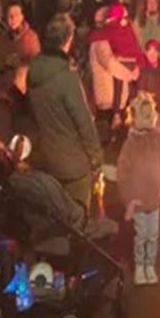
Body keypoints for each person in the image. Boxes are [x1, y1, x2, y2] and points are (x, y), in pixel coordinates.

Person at [27, 14, 102, 210]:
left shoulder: (34, 70)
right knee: (76, 218)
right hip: (73, 163)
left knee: (54, 215)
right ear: (68, 40)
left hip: (47, 157)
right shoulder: (66, 77)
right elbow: (83, 121)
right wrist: (96, 157)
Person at [118, 93, 160, 286]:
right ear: (135, 118)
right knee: (141, 236)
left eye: (152, 114)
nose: (150, 118)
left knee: (153, 235)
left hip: (154, 199)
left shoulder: (158, 138)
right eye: (145, 115)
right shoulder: (130, 144)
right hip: (139, 200)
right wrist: (129, 200)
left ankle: (150, 265)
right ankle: (140, 266)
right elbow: (123, 175)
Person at [0, 3, 40, 143]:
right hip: (1, 94)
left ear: (22, 16)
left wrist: (23, 65)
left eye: (15, 15)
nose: (12, 19)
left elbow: (37, 62)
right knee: (3, 134)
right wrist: (4, 62)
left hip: (24, 94)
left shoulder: (31, 37)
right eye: (9, 16)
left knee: (25, 131)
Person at [89, 4, 141, 135]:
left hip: (114, 100)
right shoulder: (100, 41)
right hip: (109, 101)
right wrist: (132, 74)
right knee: (113, 140)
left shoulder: (105, 37)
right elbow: (110, 64)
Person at [137, 39, 160, 117]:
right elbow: (141, 91)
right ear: (146, 53)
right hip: (149, 108)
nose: (152, 55)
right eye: (150, 52)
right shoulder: (143, 68)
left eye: (155, 52)